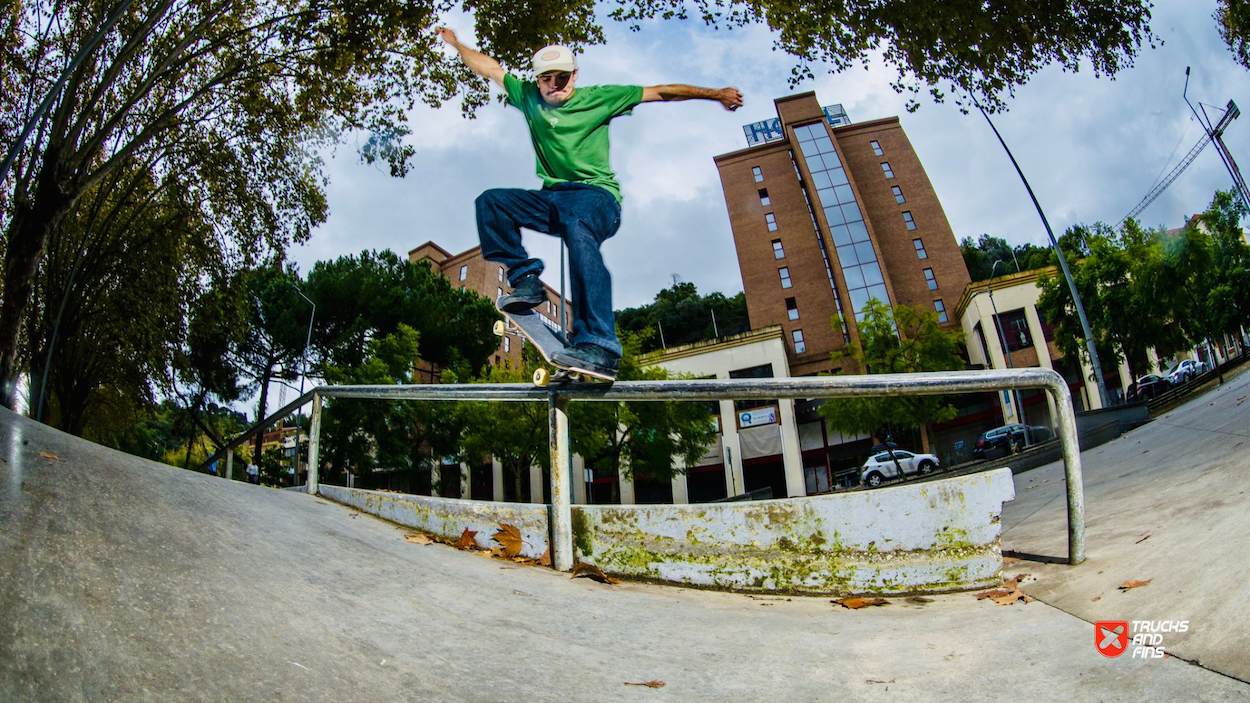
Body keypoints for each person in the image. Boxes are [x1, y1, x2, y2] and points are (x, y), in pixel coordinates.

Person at [437, 28, 743, 380]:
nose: (555, 86)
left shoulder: (602, 97)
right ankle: (526, 280)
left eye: (563, 78)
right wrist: (457, 44)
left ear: (575, 76)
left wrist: (715, 94)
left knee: (578, 227)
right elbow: (488, 68)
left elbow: (660, 92)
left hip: (598, 198)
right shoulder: (527, 96)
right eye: (547, 80)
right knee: (492, 202)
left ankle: (599, 344)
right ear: (537, 81)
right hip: (553, 198)